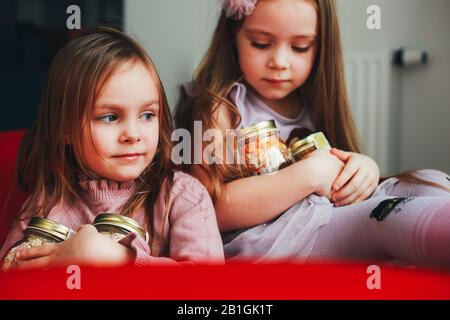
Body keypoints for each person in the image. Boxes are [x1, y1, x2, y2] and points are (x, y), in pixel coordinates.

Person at [175, 0, 450, 268]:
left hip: (327, 212)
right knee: (387, 216)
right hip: (271, 238)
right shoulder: (220, 108)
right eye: (260, 43)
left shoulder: (315, 101)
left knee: (431, 180)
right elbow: (212, 209)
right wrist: (309, 175)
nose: (280, 62)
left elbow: (335, 173)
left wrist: (364, 169)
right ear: (233, 36)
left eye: (300, 47)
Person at [0, 27, 224, 271]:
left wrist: (120, 260)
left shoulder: (184, 198)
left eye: (147, 115)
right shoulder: (47, 204)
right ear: (64, 128)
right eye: (109, 117)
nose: (133, 134)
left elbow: (206, 290)